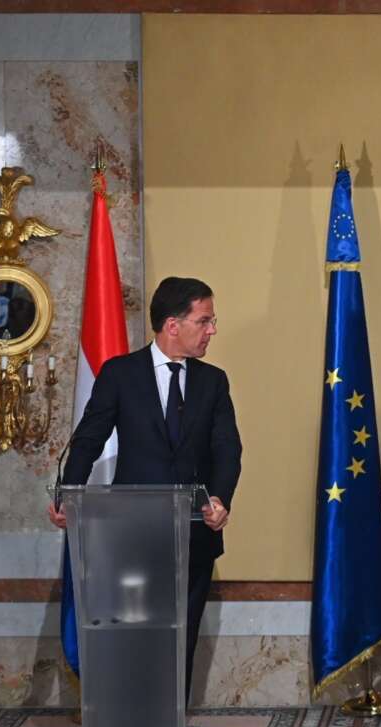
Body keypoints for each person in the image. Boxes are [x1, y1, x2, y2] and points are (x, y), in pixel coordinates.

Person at [48, 276, 242, 702]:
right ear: (173, 325)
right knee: (134, 640)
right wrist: (67, 495)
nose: (212, 330)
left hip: (193, 534)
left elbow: (228, 449)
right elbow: (88, 439)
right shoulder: (121, 374)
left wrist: (219, 499)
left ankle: (172, 724)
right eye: (204, 321)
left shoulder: (213, 381)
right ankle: (131, 720)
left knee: (181, 640)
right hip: (131, 535)